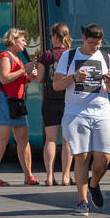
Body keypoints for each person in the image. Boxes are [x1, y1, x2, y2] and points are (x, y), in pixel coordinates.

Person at [53, 24, 110, 216]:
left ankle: (94, 183)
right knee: (82, 157)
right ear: (83, 38)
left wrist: (109, 82)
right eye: (91, 43)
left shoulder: (106, 58)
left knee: (104, 159)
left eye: (98, 44)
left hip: (101, 112)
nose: (94, 48)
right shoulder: (69, 56)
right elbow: (57, 85)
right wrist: (73, 77)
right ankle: (82, 202)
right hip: (76, 112)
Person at [0, 28, 40, 187]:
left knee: (23, 138)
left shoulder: (17, 57)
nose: (25, 43)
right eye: (22, 40)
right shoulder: (4, 56)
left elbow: (18, 81)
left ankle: (28, 176)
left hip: (16, 101)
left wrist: (30, 78)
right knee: (2, 139)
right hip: (3, 99)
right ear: (13, 40)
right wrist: (24, 70)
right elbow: (4, 79)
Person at [39, 23, 73, 185]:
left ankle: (49, 177)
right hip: (69, 101)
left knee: (51, 140)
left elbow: (40, 79)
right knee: (67, 140)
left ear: (54, 36)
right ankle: (66, 176)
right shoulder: (72, 55)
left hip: (50, 101)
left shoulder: (46, 55)